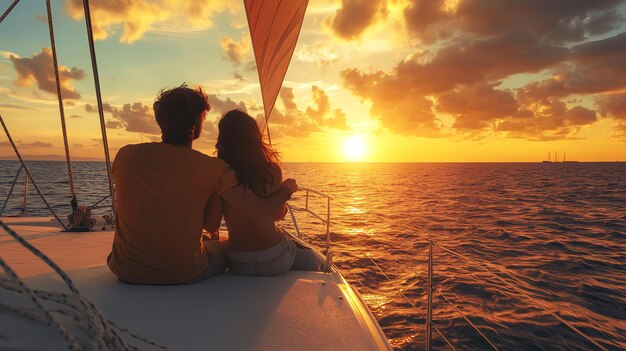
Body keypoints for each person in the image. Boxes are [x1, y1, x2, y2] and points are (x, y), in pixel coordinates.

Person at [107, 84, 297, 285]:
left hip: (126, 270)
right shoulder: (211, 168)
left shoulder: (125, 155)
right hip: (184, 272)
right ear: (195, 126)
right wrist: (287, 189)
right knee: (221, 248)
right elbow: (216, 224)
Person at [207, 109, 326, 276]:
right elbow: (277, 215)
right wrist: (287, 190)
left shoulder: (219, 175)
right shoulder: (270, 171)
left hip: (238, 262)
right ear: (254, 138)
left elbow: (212, 224)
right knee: (316, 260)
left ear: (223, 140)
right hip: (276, 258)